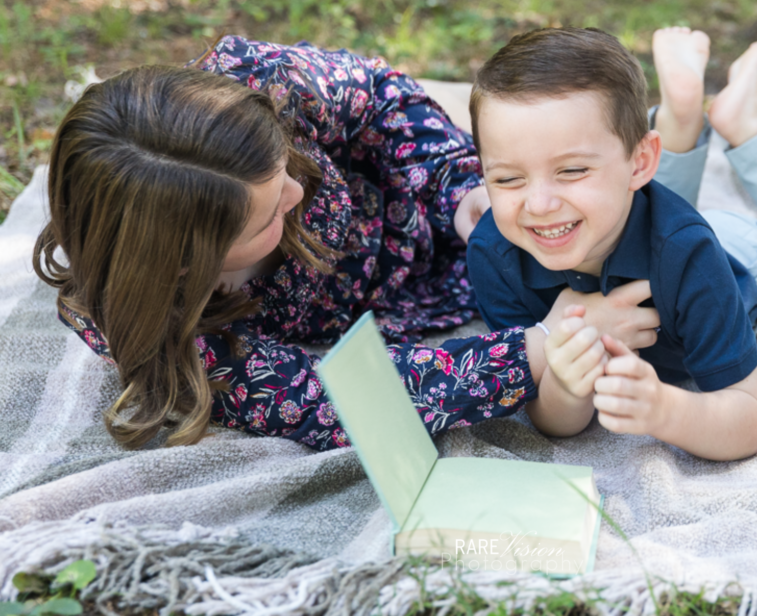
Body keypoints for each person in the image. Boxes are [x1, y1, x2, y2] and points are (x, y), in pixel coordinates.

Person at [34, 36, 661, 451]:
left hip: (422, 205)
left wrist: (458, 188)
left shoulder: (256, 86)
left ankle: (679, 133)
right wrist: (541, 346)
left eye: (286, 171)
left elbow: (383, 97)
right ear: (184, 263)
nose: (295, 197)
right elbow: (338, 399)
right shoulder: (158, 333)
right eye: (264, 219)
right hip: (404, 302)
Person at [466, 26, 757, 460]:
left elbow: (748, 421)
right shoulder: (496, 253)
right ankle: (682, 116)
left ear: (641, 163)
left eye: (572, 171)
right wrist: (564, 384)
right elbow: (550, 416)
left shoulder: (690, 256)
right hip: (635, 227)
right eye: (508, 179)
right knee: (626, 217)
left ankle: (749, 129)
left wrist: (665, 409)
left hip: (749, 261)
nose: (538, 205)